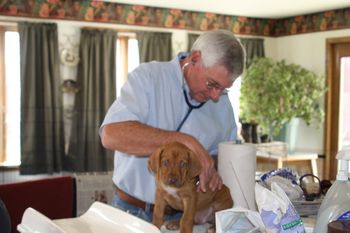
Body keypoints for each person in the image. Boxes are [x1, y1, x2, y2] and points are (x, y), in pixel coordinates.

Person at [99, 29, 245, 222]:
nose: (216, 96)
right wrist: (186, 142)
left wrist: (211, 167)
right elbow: (111, 134)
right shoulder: (149, 78)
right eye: (212, 84)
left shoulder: (223, 106)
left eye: (223, 89)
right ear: (194, 58)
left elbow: (225, 157)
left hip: (184, 216)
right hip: (133, 212)